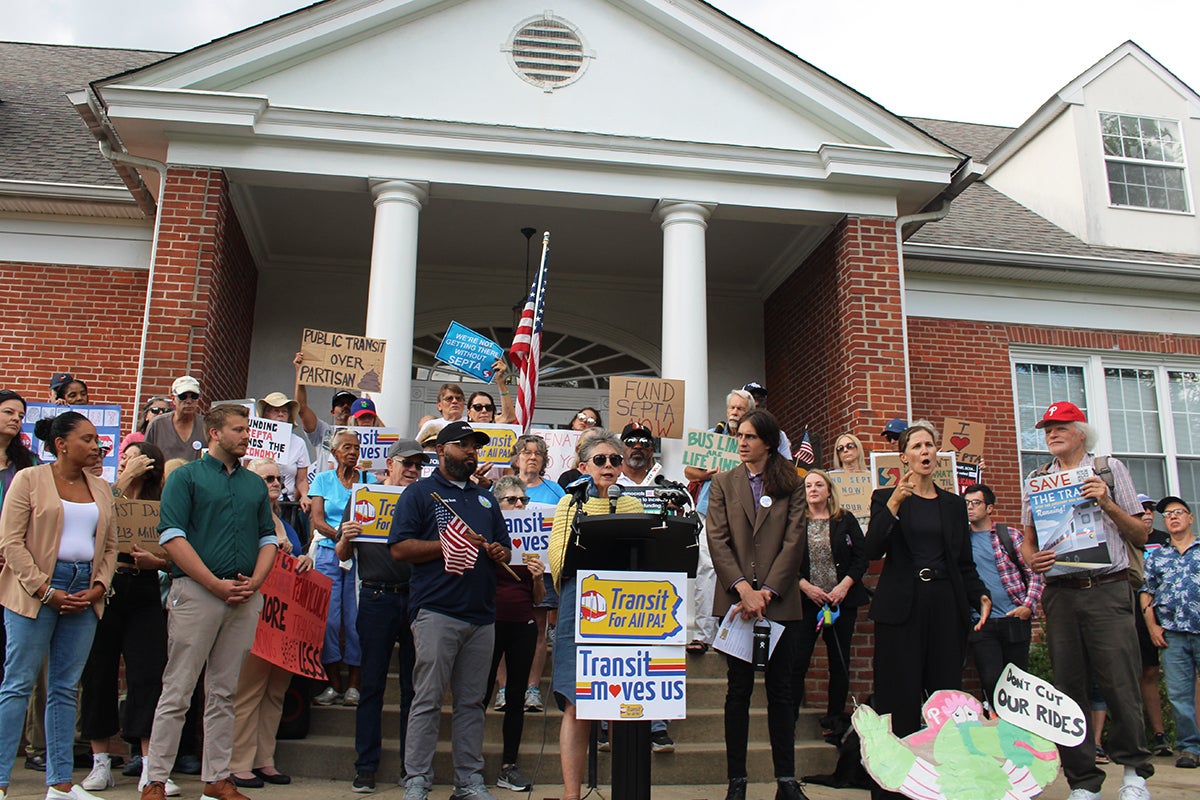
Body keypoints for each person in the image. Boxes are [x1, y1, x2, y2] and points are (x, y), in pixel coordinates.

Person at [140, 404, 278, 800]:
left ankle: (217, 777)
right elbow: (171, 536)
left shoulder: (253, 485)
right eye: (238, 429)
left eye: (247, 429)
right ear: (214, 433)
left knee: (224, 691)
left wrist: (255, 581)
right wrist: (213, 583)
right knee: (178, 688)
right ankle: (155, 779)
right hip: (197, 593)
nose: (246, 435)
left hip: (242, 596)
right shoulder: (186, 477)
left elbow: (267, 538)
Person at [1019, 401, 1154, 800]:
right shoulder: (1037, 479)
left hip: (1108, 589)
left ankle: (1134, 774)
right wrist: (1034, 560)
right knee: (1068, 688)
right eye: (1047, 428)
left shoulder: (1109, 469)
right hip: (1060, 594)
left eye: (1060, 426)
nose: (1051, 433)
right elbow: (1028, 544)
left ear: (1081, 432)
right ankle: (1082, 782)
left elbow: (1141, 535)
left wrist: (1107, 501)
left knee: (1120, 680)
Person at [866, 420, 991, 800]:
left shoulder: (954, 504)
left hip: (944, 605)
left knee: (944, 700)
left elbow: (963, 562)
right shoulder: (885, 496)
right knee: (898, 697)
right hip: (902, 606)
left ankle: (943, 785)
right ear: (903, 456)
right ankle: (893, 788)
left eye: (930, 446)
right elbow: (871, 550)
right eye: (917, 446)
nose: (925, 452)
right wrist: (895, 502)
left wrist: (979, 594)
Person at [389, 421, 512, 800]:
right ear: (441, 450)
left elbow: (505, 551)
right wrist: (447, 545)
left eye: (475, 446)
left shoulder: (486, 500)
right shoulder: (420, 494)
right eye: (463, 445)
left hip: (481, 614)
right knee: (427, 698)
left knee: (472, 702)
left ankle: (469, 780)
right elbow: (399, 548)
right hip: (436, 611)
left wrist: (496, 552)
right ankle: (417, 780)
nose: (472, 452)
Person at [0, 411, 118, 800]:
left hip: (84, 591)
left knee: (66, 688)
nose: (95, 445)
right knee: (17, 685)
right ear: (61, 444)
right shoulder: (29, 479)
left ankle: (61, 784)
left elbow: (111, 545)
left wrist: (100, 585)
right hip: (35, 591)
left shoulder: (100, 487)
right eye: (86, 439)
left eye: (96, 439)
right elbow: (11, 543)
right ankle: (0, 781)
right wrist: (45, 590)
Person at [705, 410, 808, 800]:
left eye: (750, 436)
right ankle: (737, 780)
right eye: (739, 435)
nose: (742, 442)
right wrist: (743, 591)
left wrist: (766, 592)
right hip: (737, 605)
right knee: (738, 692)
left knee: (782, 692)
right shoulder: (722, 483)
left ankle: (786, 779)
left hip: (778, 604)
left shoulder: (790, 483)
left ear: (767, 442)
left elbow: (793, 541)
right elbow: (718, 539)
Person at [547, 430, 644, 800]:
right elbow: (557, 559)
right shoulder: (570, 504)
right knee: (577, 702)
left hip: (624, 610)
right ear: (584, 466)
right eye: (601, 460)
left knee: (621, 702)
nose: (609, 466)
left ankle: (624, 786)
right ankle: (572, 794)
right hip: (580, 605)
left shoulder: (633, 506)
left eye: (615, 460)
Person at [79, 442, 176, 795]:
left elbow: (175, 548)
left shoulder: (162, 499)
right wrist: (123, 480)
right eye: (126, 455)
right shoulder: (104, 490)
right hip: (108, 586)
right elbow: (93, 524)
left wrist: (159, 563)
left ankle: (151, 765)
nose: (129, 459)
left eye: (136, 455)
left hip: (146, 588)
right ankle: (100, 761)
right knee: (98, 673)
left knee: (148, 674)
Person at [338, 439, 423, 793]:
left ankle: (411, 765)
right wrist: (345, 536)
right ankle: (365, 766)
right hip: (376, 597)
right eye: (407, 463)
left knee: (412, 689)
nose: (413, 470)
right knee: (371, 684)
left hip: (416, 600)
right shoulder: (363, 498)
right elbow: (344, 553)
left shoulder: (422, 504)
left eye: (419, 465)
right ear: (389, 464)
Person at [228, 458, 313, 789]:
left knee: (275, 692)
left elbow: (297, 561)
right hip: (253, 616)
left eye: (278, 478)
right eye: (267, 478)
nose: (276, 483)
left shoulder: (288, 524)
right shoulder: (242, 519)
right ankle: (239, 762)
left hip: (283, 620)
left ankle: (265, 758)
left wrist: (304, 559)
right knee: (247, 692)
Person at [790, 468, 868, 734]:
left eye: (818, 485)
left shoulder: (844, 519)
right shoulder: (796, 521)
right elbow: (785, 560)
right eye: (808, 485)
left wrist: (844, 587)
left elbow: (861, 558)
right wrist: (805, 587)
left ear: (828, 490)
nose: (813, 489)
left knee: (839, 661)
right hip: (806, 601)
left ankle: (834, 718)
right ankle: (789, 718)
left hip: (840, 603)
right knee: (798, 660)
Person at [308, 428, 377, 706]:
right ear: (334, 452)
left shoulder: (368, 480)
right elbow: (317, 519)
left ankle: (354, 685)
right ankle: (333, 683)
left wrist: (352, 541)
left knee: (355, 620)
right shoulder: (323, 480)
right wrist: (341, 537)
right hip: (327, 554)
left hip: (360, 558)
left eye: (356, 447)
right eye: (346, 447)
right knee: (328, 620)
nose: (352, 452)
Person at [683, 389, 755, 654]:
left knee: (741, 570)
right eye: (732, 408)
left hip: (745, 512)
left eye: (740, 409)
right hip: (710, 510)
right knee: (707, 569)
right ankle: (704, 635)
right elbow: (689, 470)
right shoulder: (713, 436)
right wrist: (708, 472)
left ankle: (732, 635)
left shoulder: (753, 440)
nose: (735, 413)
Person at [484, 476, 543, 793]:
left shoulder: (533, 541)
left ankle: (509, 765)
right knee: (478, 696)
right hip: (489, 623)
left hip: (523, 624)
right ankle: (470, 765)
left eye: (523, 500)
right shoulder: (489, 536)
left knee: (517, 698)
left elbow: (538, 597)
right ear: (498, 505)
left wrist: (536, 578)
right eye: (512, 499)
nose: (519, 504)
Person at [962, 483, 1043, 708]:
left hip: (1014, 618)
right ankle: (997, 733)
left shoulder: (1009, 536)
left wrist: (1028, 606)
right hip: (980, 622)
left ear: (989, 508)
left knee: (1017, 683)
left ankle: (1019, 736)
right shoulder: (961, 542)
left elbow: (1034, 572)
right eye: (966, 503)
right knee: (990, 681)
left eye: (976, 503)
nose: (970, 507)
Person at [1141, 496, 1200, 770]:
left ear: (1190, 518)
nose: (1173, 517)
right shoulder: (1157, 556)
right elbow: (1146, 592)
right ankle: (1189, 747)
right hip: (1172, 633)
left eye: (1179, 512)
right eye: (1168, 514)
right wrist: (1152, 625)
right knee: (1178, 693)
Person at [1134, 494, 1174, 758]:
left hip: (1171, 611)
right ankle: (1157, 734)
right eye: (1142, 509)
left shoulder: (1165, 540)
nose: (1148, 513)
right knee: (1146, 671)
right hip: (1136, 613)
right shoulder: (1128, 539)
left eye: (1150, 509)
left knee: (1183, 675)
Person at [254, 393, 311, 512]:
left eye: (284, 411)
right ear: (265, 414)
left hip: (285, 505)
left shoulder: (298, 443)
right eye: (276, 410)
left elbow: (302, 479)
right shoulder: (253, 439)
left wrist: (305, 495)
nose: (280, 414)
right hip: (255, 503)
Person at [293, 351, 357, 457]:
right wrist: (299, 372)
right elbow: (301, 408)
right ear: (332, 411)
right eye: (340, 404)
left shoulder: (363, 435)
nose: (346, 406)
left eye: (350, 403)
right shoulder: (323, 431)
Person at [144, 376, 206, 462]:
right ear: (173, 398)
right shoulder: (157, 424)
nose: (189, 401)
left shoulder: (206, 425)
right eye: (183, 396)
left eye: (194, 396)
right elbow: (146, 457)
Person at [740, 382, 791, 459]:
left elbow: (787, 466)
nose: (757, 403)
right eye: (752, 398)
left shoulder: (779, 435)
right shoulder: (725, 432)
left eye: (760, 399)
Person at [511, 434, 565, 507]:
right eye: (527, 453)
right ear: (516, 460)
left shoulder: (556, 490)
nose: (533, 457)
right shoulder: (502, 487)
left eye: (538, 453)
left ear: (543, 460)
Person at [466, 360, 516, 425]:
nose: (484, 410)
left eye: (488, 407)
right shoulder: (461, 428)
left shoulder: (495, 423)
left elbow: (509, 417)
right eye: (478, 407)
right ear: (469, 413)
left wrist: (500, 380)